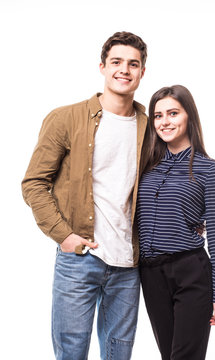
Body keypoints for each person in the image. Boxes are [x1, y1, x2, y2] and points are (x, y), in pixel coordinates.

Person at [21, 31, 147, 360]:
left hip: (129, 264)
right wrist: (63, 236)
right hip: (79, 259)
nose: (125, 69)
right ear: (103, 67)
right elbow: (34, 182)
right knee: (71, 354)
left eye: (133, 64)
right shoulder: (66, 118)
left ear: (142, 72)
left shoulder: (149, 126)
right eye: (117, 62)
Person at [137, 85, 215, 360]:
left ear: (189, 116)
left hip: (191, 271)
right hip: (151, 274)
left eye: (173, 113)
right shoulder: (146, 167)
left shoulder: (211, 170)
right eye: (158, 115)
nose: (165, 122)